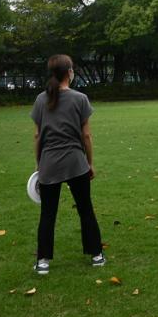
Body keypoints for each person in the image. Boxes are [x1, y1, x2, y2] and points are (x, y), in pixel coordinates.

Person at [31, 54, 104, 275]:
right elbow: (87, 136)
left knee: (48, 213)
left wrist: (39, 164)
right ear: (69, 72)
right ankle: (96, 255)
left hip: (49, 164)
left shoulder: (40, 100)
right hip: (76, 163)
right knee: (85, 210)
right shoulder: (80, 98)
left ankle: (43, 261)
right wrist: (89, 163)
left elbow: (37, 136)